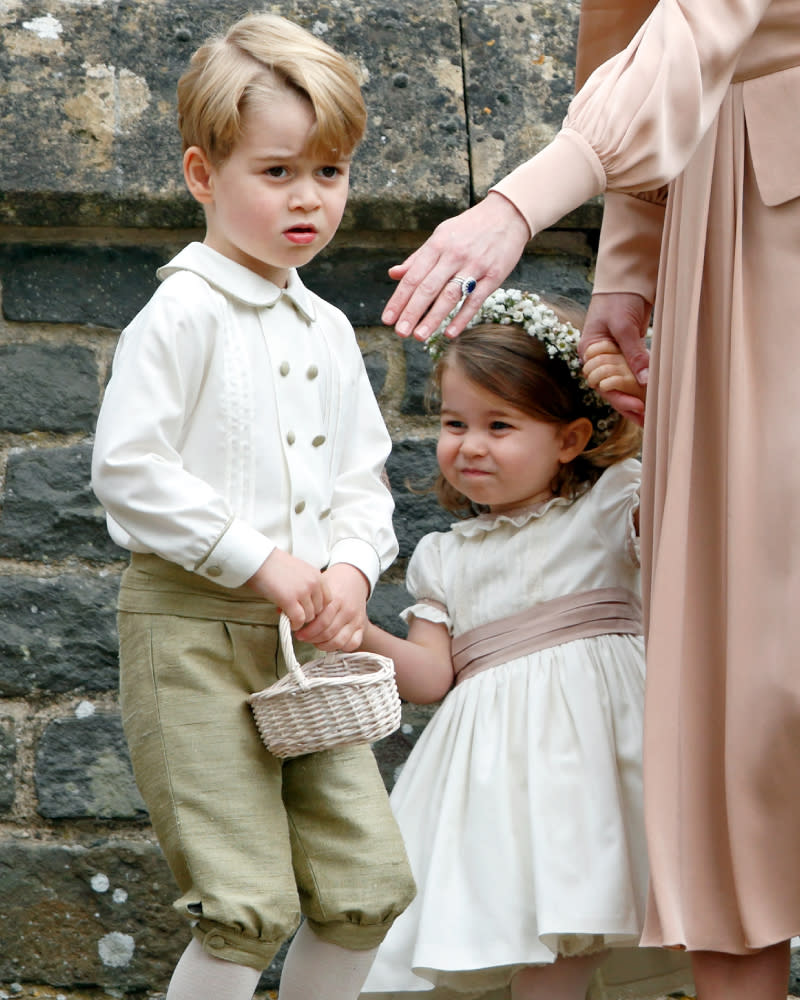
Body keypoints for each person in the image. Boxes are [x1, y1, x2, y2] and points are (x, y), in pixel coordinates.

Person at [377, 3, 800, 997]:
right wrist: (629, 264)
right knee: (731, 701)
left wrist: (512, 207)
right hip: (720, 212)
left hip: (768, 242)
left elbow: (697, 30)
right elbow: (641, 40)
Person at [90, 13, 416, 1000]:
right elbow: (130, 469)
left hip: (311, 644)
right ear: (203, 176)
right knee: (244, 901)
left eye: (330, 172)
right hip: (191, 634)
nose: (308, 197)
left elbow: (364, 476)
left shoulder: (323, 326)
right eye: (276, 172)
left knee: (365, 885)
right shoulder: (181, 313)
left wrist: (351, 568)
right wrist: (265, 562)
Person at [356, 289, 690, 1000]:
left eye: (499, 424)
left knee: (570, 933)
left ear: (569, 438)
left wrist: (655, 408)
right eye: (454, 422)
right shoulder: (444, 556)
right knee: (529, 931)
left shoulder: (609, 507)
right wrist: (354, 629)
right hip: (498, 778)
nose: (469, 445)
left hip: (599, 756)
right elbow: (428, 678)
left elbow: (679, 507)